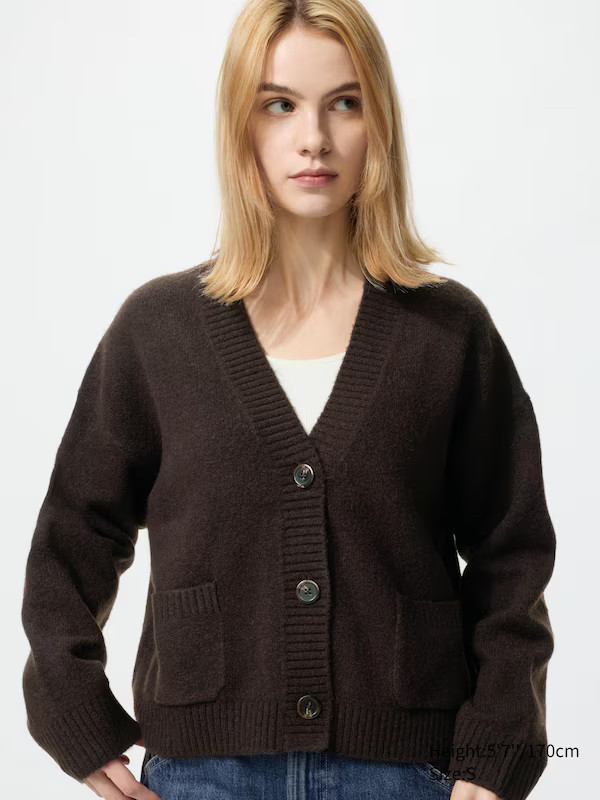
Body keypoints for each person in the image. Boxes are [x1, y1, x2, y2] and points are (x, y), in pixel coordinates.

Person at [21, 2, 556, 799]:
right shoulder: (157, 330)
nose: (315, 138)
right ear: (241, 125)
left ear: (380, 122)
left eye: (345, 102)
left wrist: (500, 745)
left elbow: (512, 554)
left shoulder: (447, 333)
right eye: (280, 104)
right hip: (201, 772)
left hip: (406, 770)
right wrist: (71, 709)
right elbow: (75, 533)